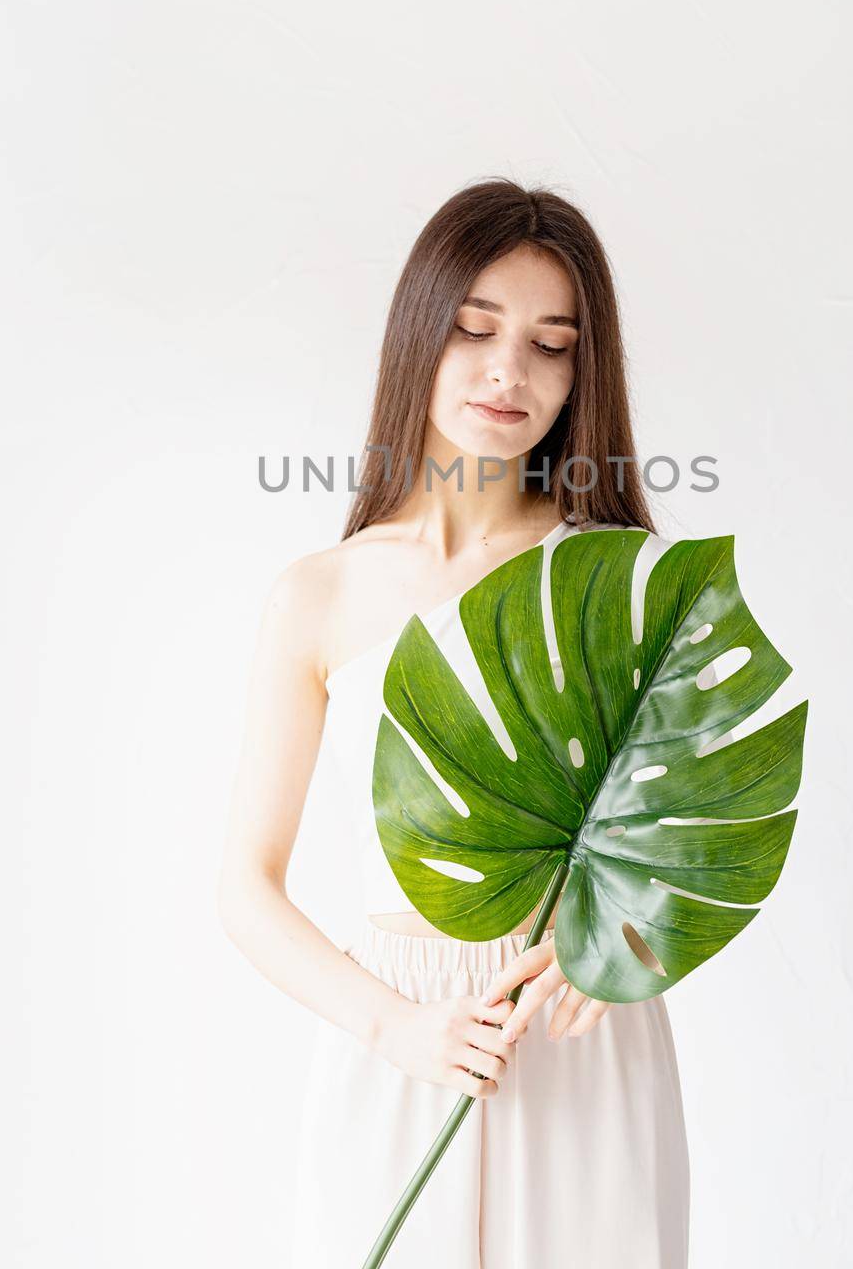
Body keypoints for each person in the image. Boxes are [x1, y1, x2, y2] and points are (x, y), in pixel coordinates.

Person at [217, 178, 691, 1266]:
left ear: (584, 370)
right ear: (419, 331)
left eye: (550, 342)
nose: (507, 371)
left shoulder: (613, 577)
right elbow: (246, 884)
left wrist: (616, 935)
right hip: (400, 1036)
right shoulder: (319, 594)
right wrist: (395, 1026)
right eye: (476, 328)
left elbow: (684, 834)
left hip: (575, 1038)